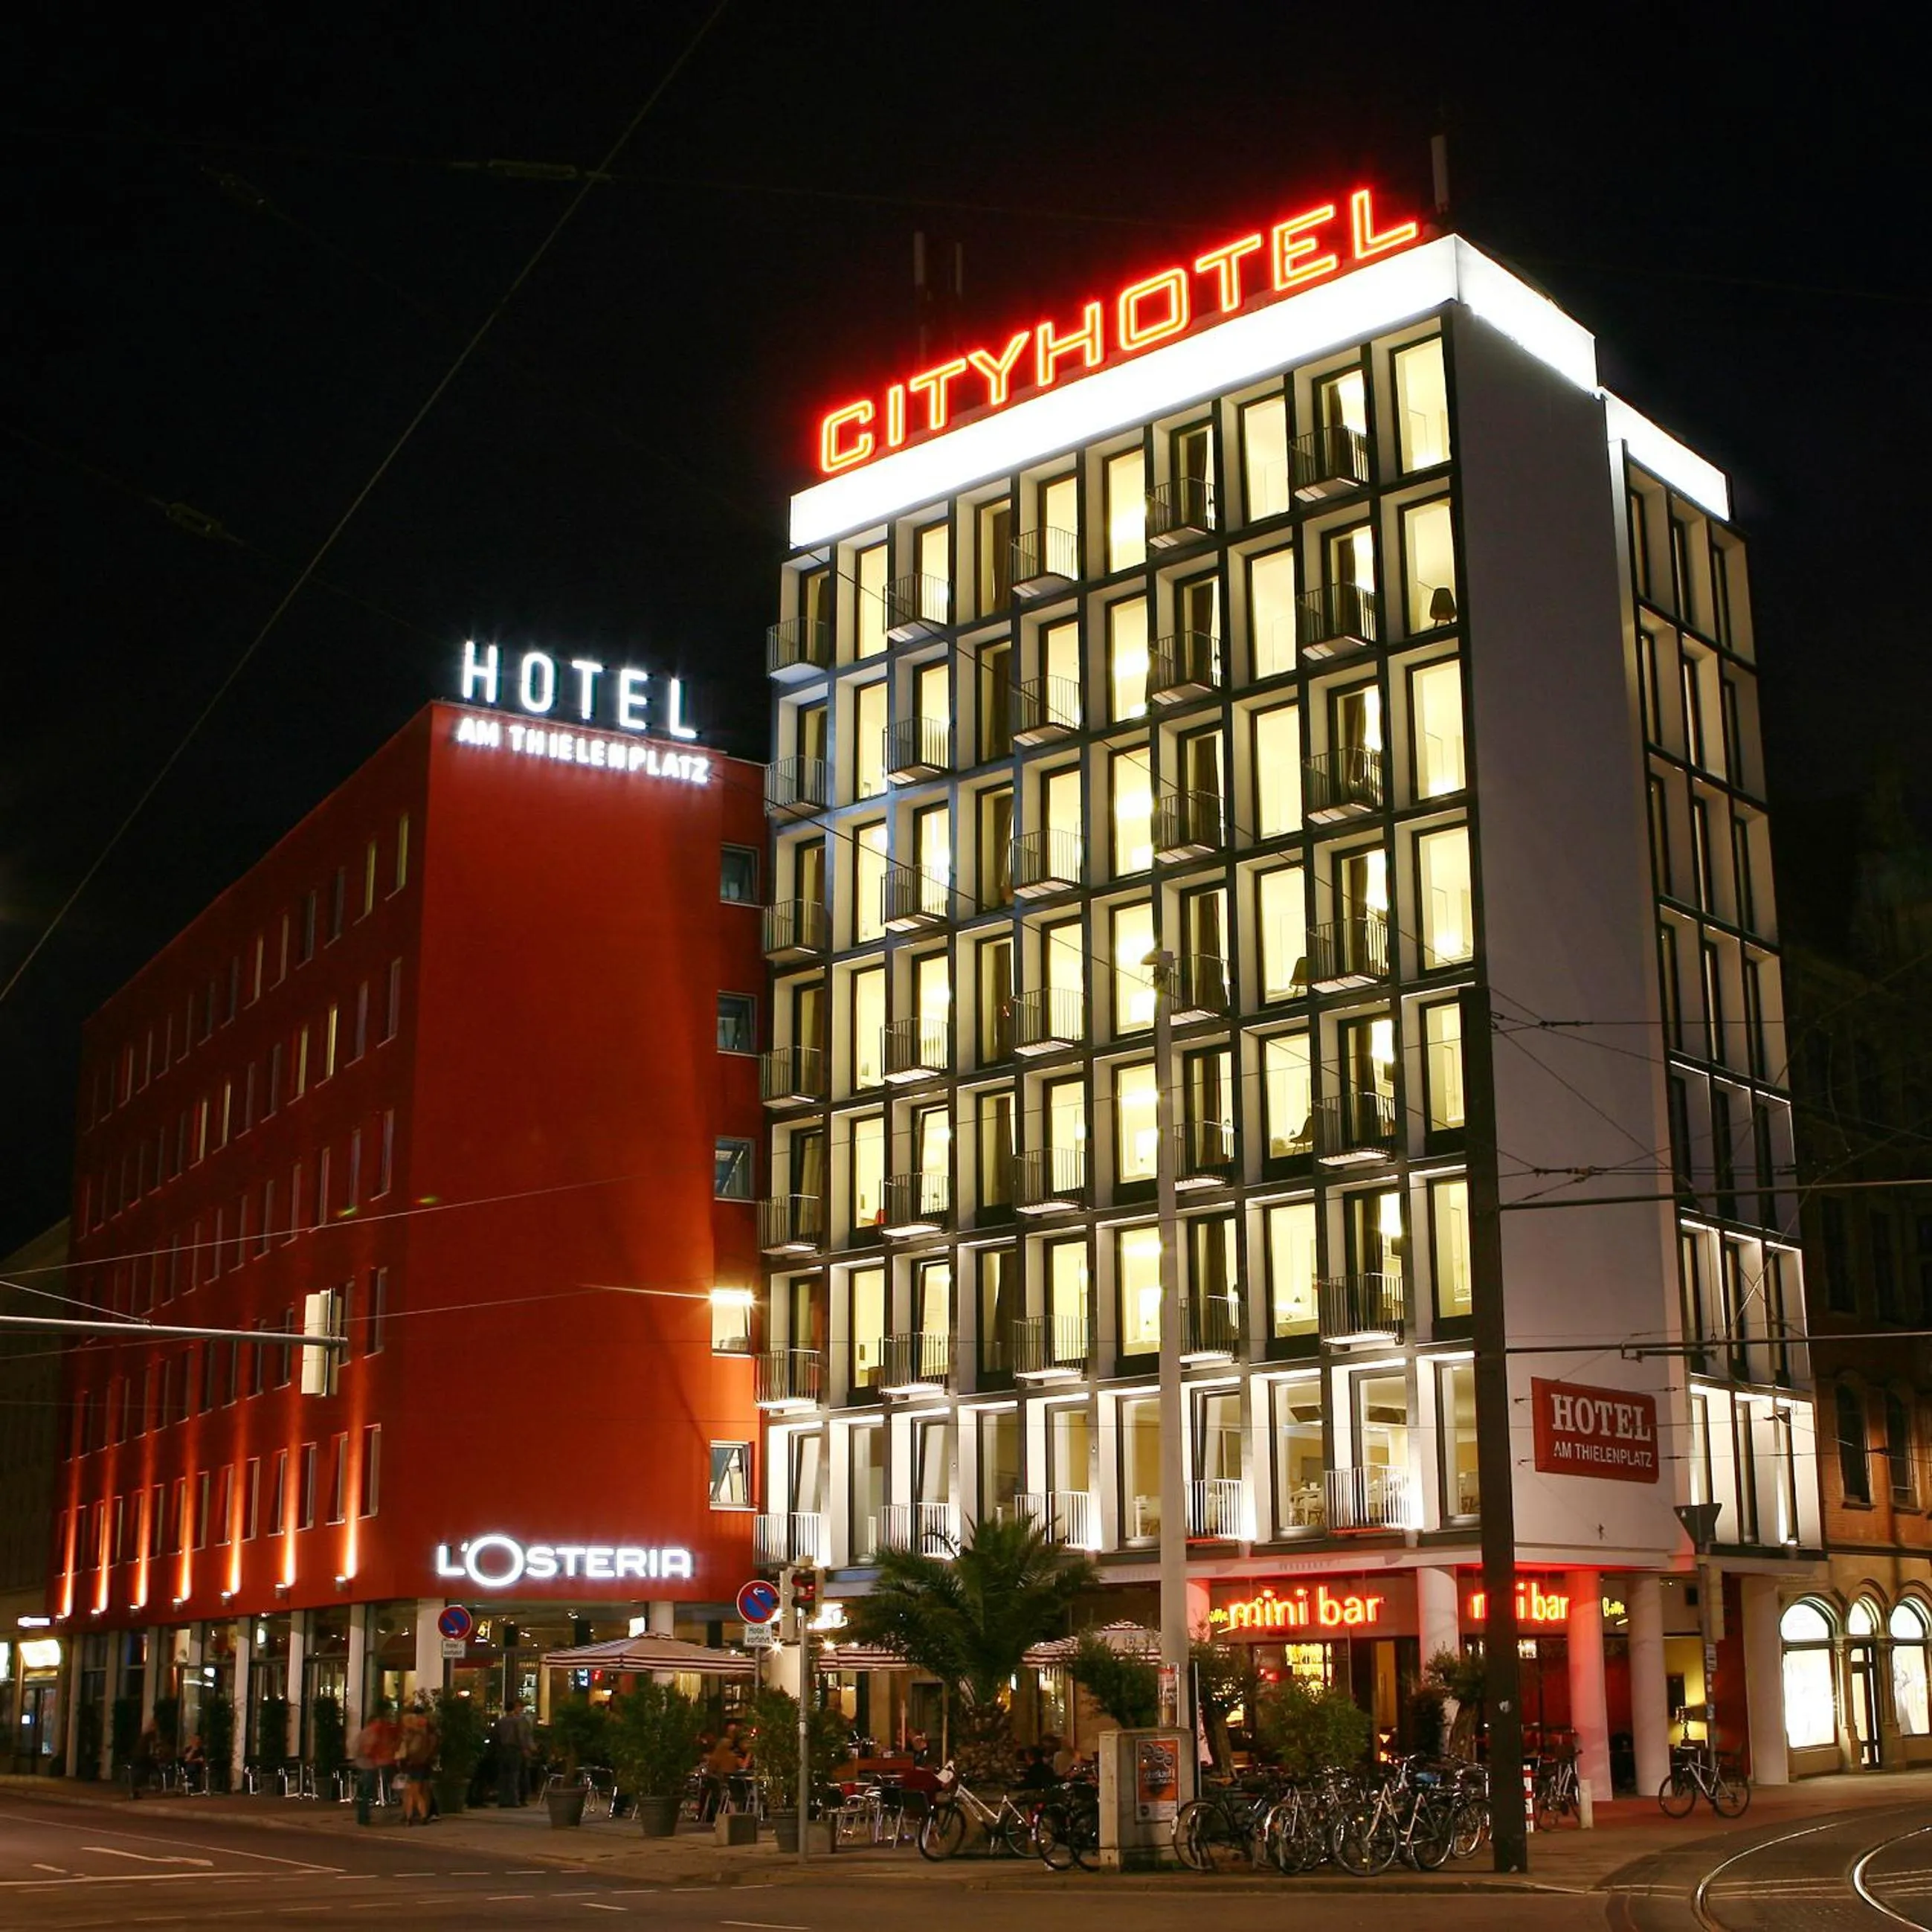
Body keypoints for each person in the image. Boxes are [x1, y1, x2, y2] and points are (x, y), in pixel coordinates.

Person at [351, 1704, 399, 1826]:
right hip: (369, 1764)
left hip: (363, 1763)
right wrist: (372, 1755)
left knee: (365, 1791)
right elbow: (369, 1746)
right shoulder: (373, 1731)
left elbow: (356, 1746)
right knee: (368, 1790)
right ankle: (364, 1817)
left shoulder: (365, 1732)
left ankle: (363, 1816)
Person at [397, 1696, 439, 1824]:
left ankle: (419, 1815)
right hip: (422, 1763)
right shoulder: (428, 1732)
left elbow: (414, 1750)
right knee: (418, 1790)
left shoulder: (417, 1734)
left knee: (413, 1791)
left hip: (415, 1763)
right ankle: (415, 1815)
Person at [492, 1700, 532, 1809]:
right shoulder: (517, 1721)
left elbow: (495, 1736)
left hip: (502, 1749)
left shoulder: (501, 1721)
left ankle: (502, 1800)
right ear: (514, 1709)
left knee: (503, 1775)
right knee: (514, 1775)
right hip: (514, 1749)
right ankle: (513, 1800)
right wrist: (525, 1749)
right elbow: (520, 1736)